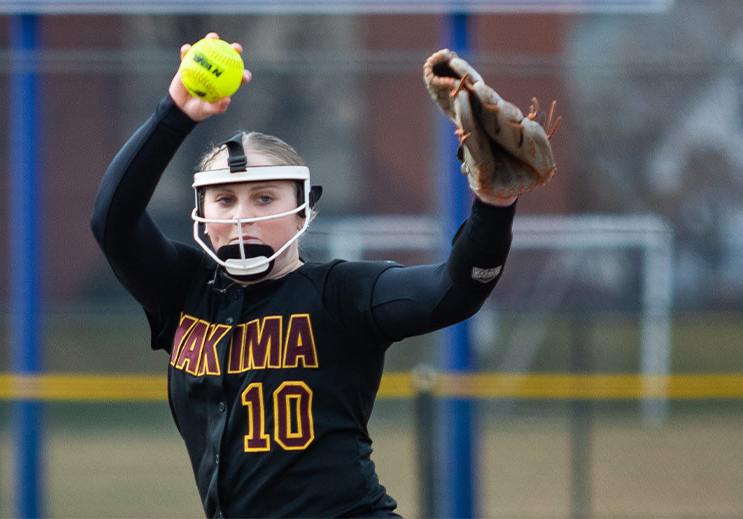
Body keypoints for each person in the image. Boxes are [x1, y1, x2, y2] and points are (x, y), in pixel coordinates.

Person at [91, 33, 518, 518]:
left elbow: (453, 291)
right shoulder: (183, 291)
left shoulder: (341, 292)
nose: (241, 215)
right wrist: (175, 111)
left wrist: (495, 204)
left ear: (302, 213)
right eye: (225, 199)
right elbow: (111, 222)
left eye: (264, 198)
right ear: (203, 215)